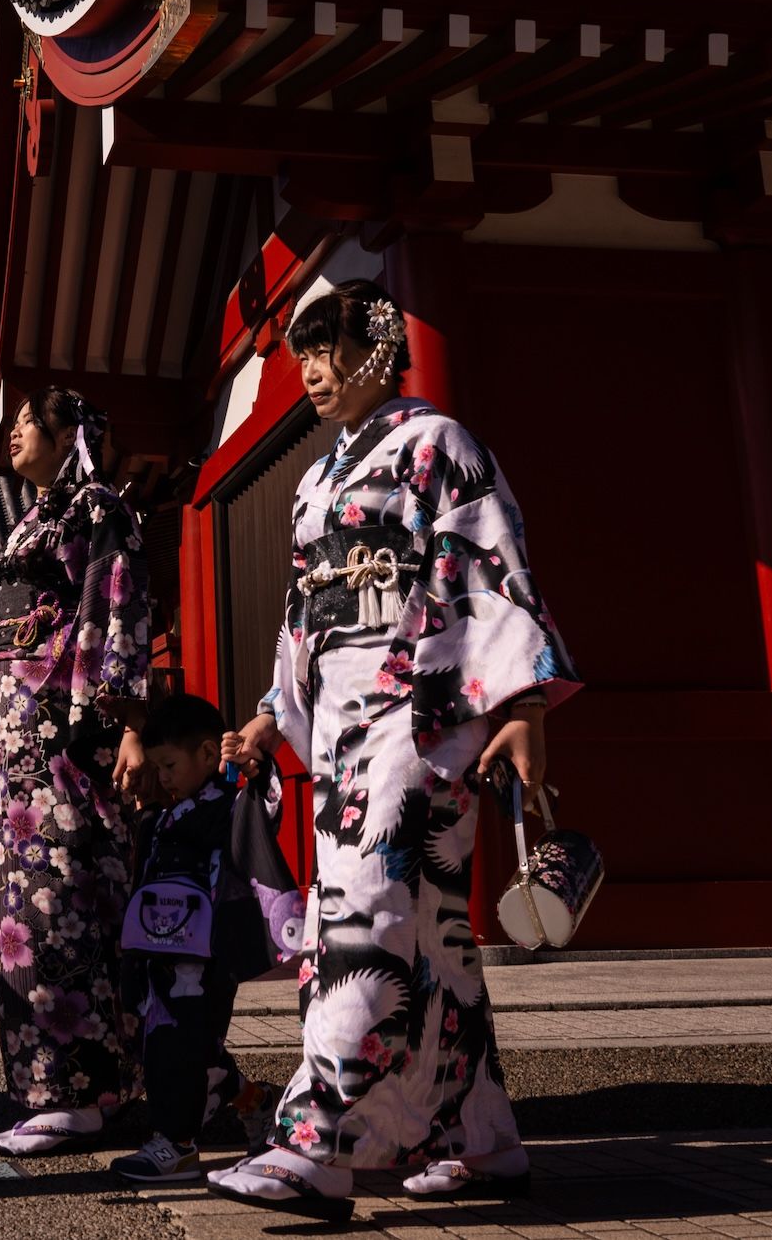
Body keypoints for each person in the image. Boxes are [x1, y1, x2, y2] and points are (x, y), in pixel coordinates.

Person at [206, 278, 581, 1222]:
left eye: (330, 352)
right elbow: (305, 614)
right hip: (338, 722)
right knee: (437, 941)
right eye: (305, 359)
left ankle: (317, 1144)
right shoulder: (316, 480)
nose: (316, 375)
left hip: (417, 713)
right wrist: (268, 712)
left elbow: (491, 566)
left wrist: (522, 702)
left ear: (379, 347)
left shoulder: (436, 445)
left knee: (367, 920)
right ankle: (482, 1136)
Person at [0, 387, 150, 1155]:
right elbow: (15, 631)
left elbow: (114, 606)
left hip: (64, 737)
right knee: (3, 905)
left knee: (56, 902)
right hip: (12, 747)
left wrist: (123, 718)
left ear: (69, 435)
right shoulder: (29, 521)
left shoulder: (98, 508)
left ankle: (84, 1091)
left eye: (27, 421)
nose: (13, 431)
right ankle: (38, 1084)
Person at [108, 692, 299, 1185]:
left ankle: (177, 1144)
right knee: (193, 1046)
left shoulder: (229, 805)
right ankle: (255, 1106)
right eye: (158, 766)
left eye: (169, 764)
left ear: (209, 755)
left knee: (177, 1045)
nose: (163, 776)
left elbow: (263, 803)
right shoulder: (169, 813)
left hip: (204, 956)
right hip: (164, 952)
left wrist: (251, 768)